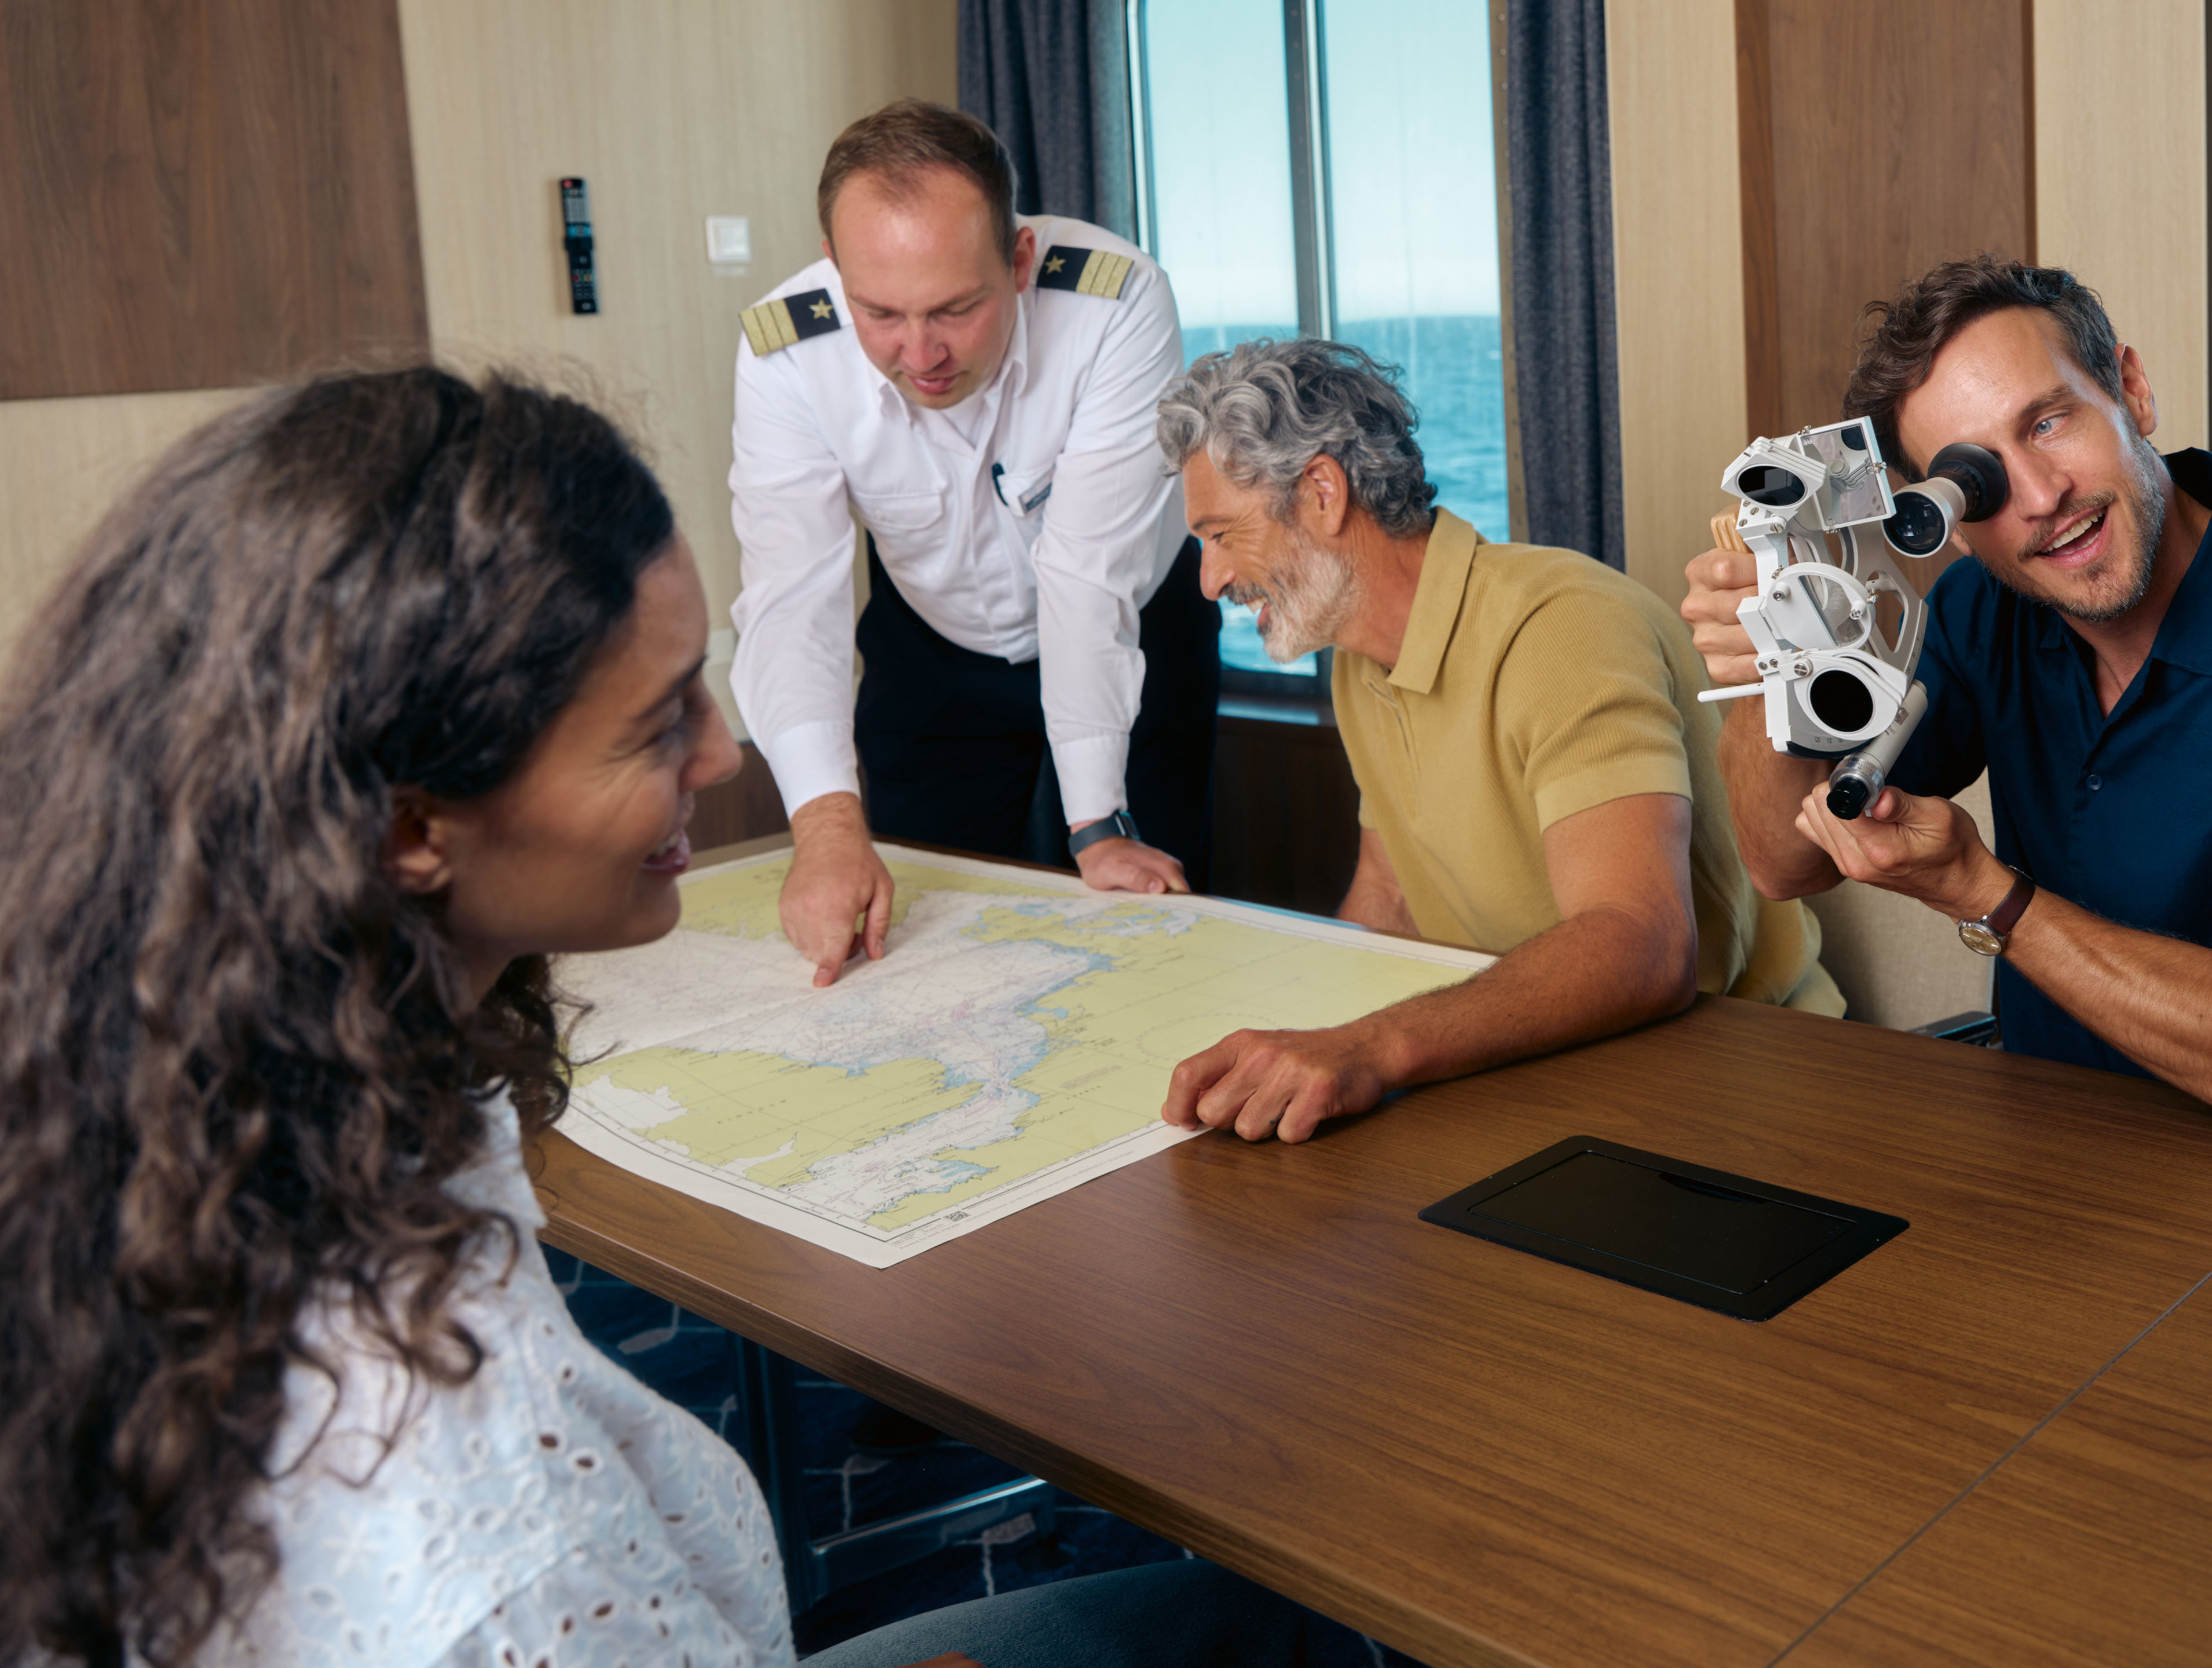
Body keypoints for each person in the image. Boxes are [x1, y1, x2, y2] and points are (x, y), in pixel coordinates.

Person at [0, 367, 1304, 1667]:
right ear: (412, 825)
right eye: (652, 724)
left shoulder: (195, 1113)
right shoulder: (475, 1525)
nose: (720, 753)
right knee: (1245, 1620)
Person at [1151, 340, 1839, 1144]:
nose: (1208, 580)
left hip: (1724, 1077)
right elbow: (1394, 897)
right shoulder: (1357, 656)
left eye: (1222, 534)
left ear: (1321, 493)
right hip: (1525, 1076)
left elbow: (1642, 945)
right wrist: (1300, 1039)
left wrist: (1370, 1046)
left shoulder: (1561, 626)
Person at [1681, 256, 2212, 1105]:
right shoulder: (1984, 608)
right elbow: (1786, 861)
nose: (2043, 497)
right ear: (1947, 520)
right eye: (1977, 478)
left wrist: (1989, 898)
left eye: (2049, 423)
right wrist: (1777, 653)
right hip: (2051, 1142)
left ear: (2132, 391)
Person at [729, 99, 1218, 989]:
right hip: (932, 643)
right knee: (928, 953)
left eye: (955, 310)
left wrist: (1098, 829)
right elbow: (790, 594)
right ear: (836, 274)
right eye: (880, 313)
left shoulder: (1116, 300)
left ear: (1021, 260)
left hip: (1132, 626)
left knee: (1142, 940)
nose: (921, 354)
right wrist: (828, 830)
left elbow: (1085, 574)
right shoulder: (785, 350)